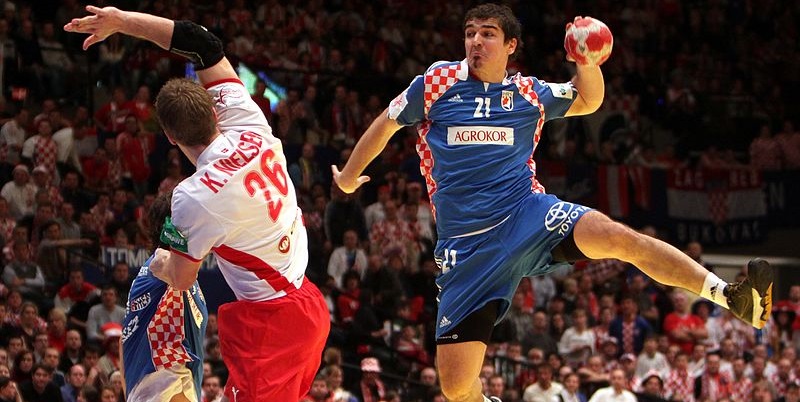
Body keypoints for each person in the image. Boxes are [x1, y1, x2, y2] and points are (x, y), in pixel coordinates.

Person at [331, 4, 773, 402]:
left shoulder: (529, 93)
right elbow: (385, 124)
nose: (476, 42)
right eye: (470, 33)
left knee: (619, 237)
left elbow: (589, 99)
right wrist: (349, 178)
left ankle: (730, 295)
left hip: (527, 215)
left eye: (487, 34)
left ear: (510, 45)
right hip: (466, 248)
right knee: (456, 386)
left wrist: (587, 62)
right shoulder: (436, 83)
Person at [65, 6, 330, 401]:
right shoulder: (248, 121)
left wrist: (160, 253)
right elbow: (201, 43)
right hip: (307, 300)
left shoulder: (194, 195)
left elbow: (181, 277)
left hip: (274, 323)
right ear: (214, 111)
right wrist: (122, 21)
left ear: (170, 137)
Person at [120, 191, 207, 402]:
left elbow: (124, 341)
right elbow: (163, 260)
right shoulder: (163, 264)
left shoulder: (165, 277)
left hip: (158, 387)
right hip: (166, 383)